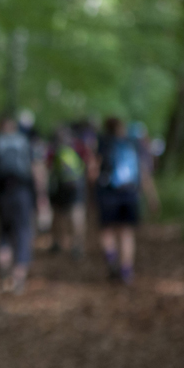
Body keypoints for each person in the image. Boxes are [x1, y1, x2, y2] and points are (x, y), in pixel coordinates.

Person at [94, 117, 160, 285]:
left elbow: (92, 171)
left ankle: (111, 258)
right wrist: (152, 197)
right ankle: (126, 270)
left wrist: (92, 195)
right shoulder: (132, 144)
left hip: (108, 193)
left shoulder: (103, 143)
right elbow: (144, 174)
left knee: (107, 231)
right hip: (129, 194)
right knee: (126, 232)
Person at [0, 114, 44, 293]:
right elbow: (36, 167)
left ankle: (4, 268)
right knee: (23, 232)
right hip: (22, 192)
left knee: (3, 231)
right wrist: (40, 194)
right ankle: (19, 277)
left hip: (2, 193)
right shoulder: (25, 141)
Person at [47, 126, 87, 260]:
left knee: (58, 214)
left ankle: (58, 242)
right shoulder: (79, 147)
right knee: (77, 213)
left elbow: (48, 166)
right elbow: (88, 164)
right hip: (77, 185)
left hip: (59, 185)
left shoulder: (53, 148)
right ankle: (77, 245)